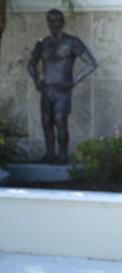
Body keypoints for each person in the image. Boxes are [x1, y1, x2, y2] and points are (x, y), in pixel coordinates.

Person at [27, 9, 97, 164]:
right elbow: (31, 64)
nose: (54, 24)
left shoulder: (72, 42)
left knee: (60, 120)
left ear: (62, 22)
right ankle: (50, 153)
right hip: (47, 89)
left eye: (57, 20)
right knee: (46, 121)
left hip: (63, 90)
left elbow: (91, 63)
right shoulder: (43, 43)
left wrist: (74, 82)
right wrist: (36, 81)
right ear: (47, 23)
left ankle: (63, 154)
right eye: (50, 21)